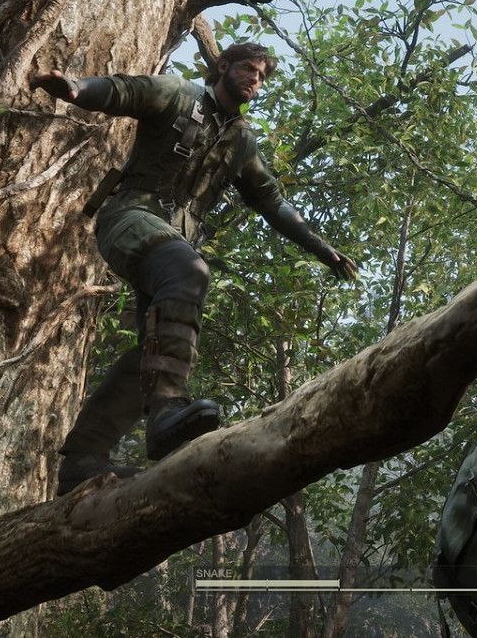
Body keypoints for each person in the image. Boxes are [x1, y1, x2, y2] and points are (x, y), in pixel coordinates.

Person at [30, 42, 357, 495]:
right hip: (129, 216)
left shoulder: (241, 139)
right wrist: (75, 88)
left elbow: (271, 201)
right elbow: (126, 91)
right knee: (191, 272)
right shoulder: (178, 93)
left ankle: (84, 459)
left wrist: (324, 250)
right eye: (248, 69)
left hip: (172, 240)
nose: (254, 80)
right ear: (222, 66)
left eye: (261, 77)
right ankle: (167, 408)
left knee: (150, 347)